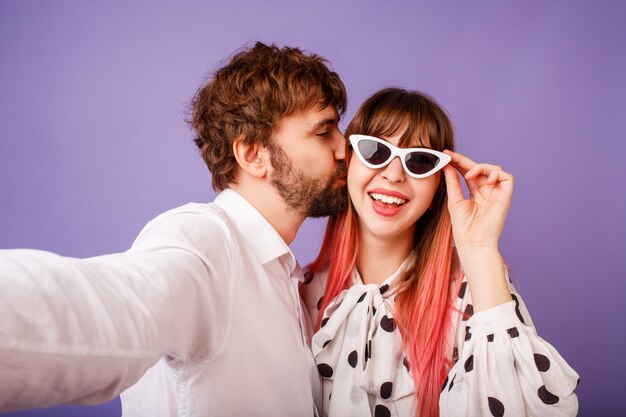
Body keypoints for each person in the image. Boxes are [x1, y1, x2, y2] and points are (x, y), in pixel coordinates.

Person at [0, 42, 348, 417]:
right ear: (253, 155)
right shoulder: (205, 243)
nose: (344, 148)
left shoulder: (289, 278)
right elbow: (104, 306)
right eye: (323, 131)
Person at [302, 88, 579, 417]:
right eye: (375, 151)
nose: (393, 174)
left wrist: (480, 250)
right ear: (348, 164)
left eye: (419, 161)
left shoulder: (474, 289)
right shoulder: (303, 292)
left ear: (438, 186)